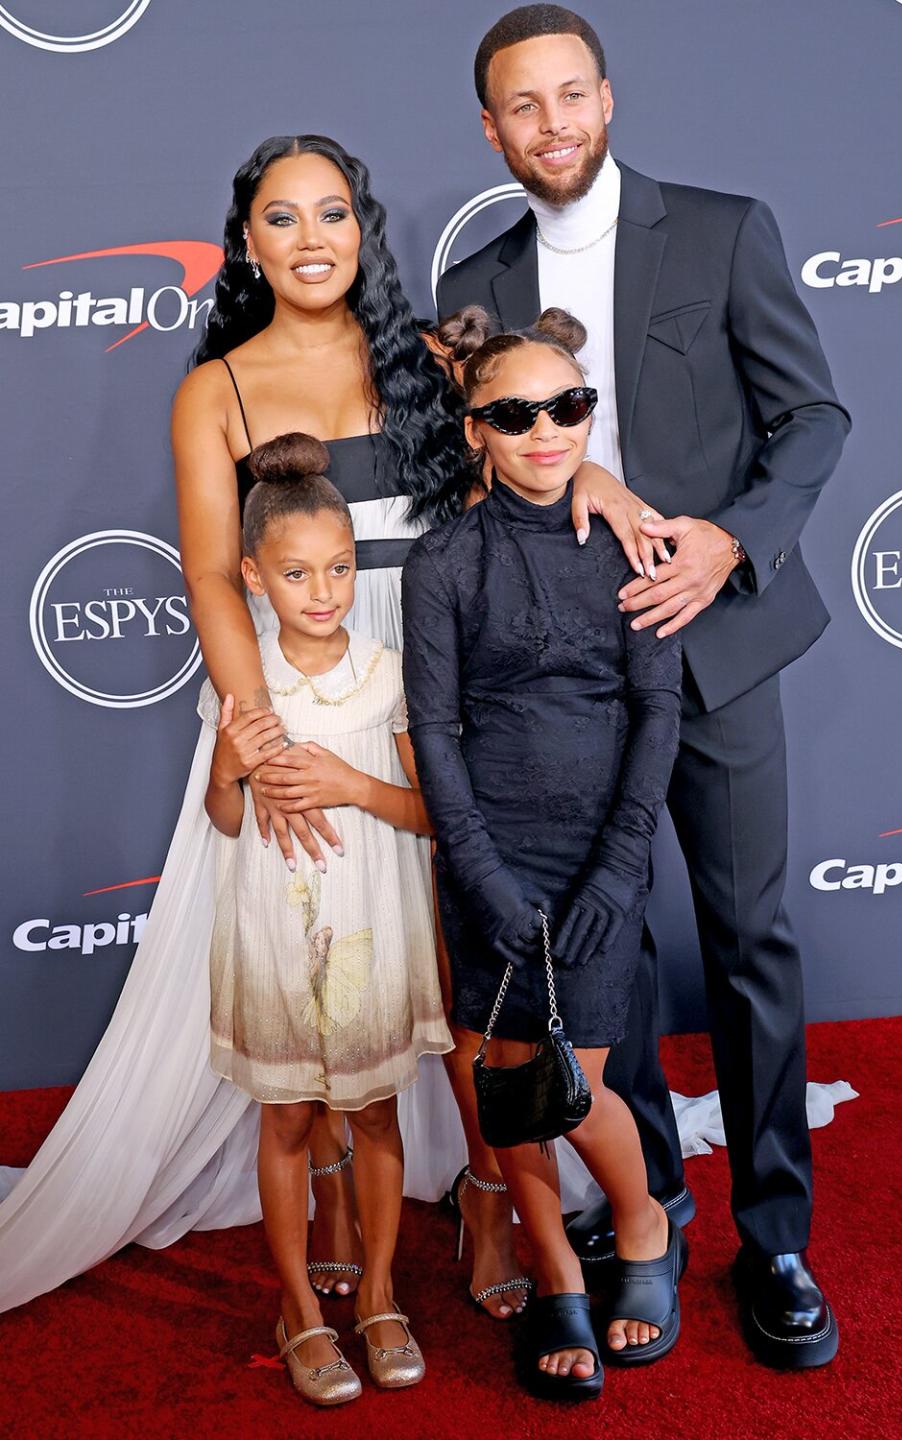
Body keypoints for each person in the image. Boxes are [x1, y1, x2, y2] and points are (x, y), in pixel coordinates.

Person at [436, 6, 850, 1369]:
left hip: (713, 647)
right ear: (490, 130)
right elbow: (489, 458)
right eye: (522, 107)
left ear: (607, 101)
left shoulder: (723, 228)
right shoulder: (481, 280)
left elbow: (814, 417)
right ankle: (649, 1213)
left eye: (572, 96)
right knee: (598, 978)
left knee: (747, 941)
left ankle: (776, 1238)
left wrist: (728, 539)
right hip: (557, 691)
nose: (552, 126)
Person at [0, 133, 468, 1315]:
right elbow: (214, 573)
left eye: (333, 214)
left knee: (458, 955)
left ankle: (493, 1199)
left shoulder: (425, 363)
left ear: (366, 229)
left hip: (441, 690)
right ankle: (316, 1198)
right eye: (282, 219)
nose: (312, 241)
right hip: (292, 701)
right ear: (245, 242)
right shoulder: (218, 388)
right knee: (304, 945)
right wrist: (258, 730)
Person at [402, 308, 684, 1401]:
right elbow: (434, 732)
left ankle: (642, 1220)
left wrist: (620, 866)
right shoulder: (443, 563)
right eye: (513, 416)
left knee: (580, 1089)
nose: (545, 432)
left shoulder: (630, 541)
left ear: (589, 412)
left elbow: (656, 715)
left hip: (600, 854)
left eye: (567, 407)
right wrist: (475, 871)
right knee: (504, 1086)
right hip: (488, 853)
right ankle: (554, 1265)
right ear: (475, 429)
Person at [203, 432, 447, 1402]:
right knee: (290, 1121)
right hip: (274, 928)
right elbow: (224, 820)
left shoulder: (387, 673)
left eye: (340, 568)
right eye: (299, 573)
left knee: (379, 1115)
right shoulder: (244, 683)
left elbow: (431, 814)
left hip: (373, 928)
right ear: (256, 578)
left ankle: (381, 1293)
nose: (324, 591)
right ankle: (301, 1307)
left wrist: (351, 781)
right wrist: (231, 766)